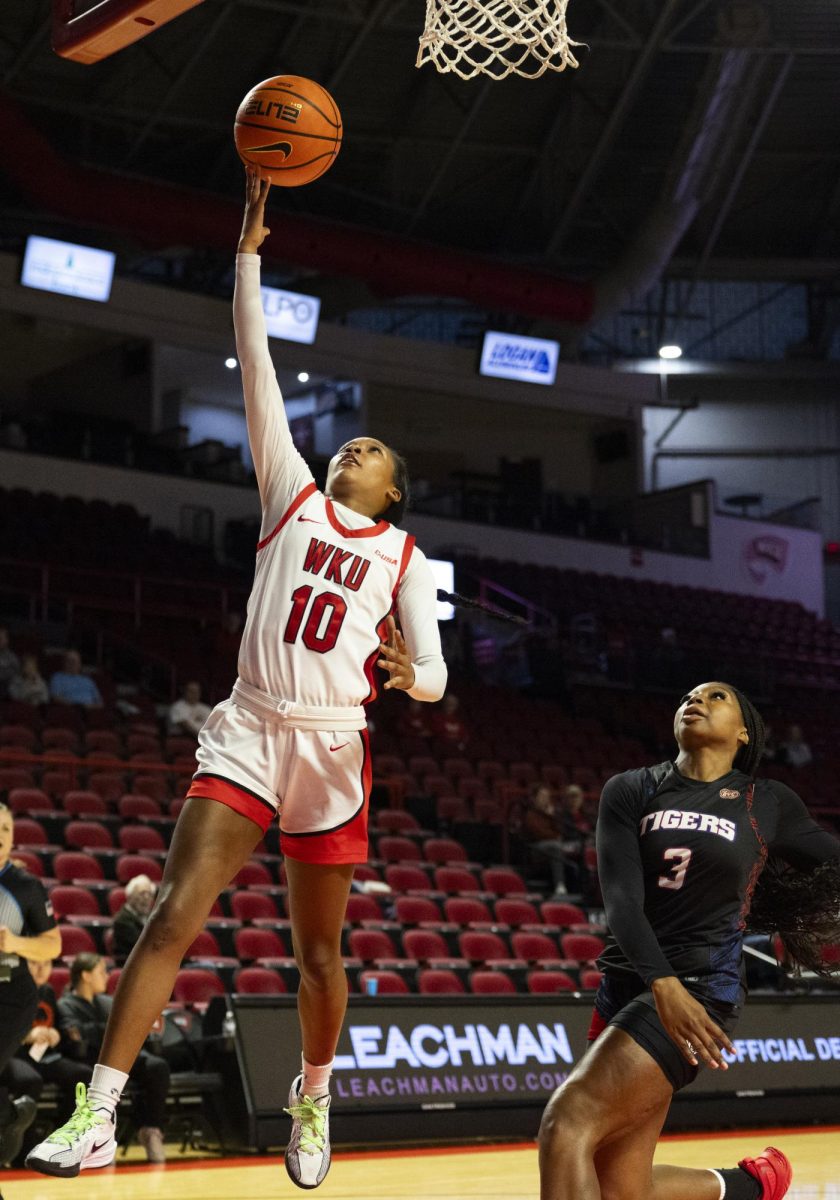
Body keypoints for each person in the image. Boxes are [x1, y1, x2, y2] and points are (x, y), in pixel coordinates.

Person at [27, 170, 446, 1187]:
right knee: (171, 913)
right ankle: (99, 1113)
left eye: (377, 450)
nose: (358, 446)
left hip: (334, 746)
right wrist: (248, 254)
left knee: (316, 960)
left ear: (393, 490)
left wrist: (409, 672)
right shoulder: (289, 490)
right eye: (354, 438)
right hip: (254, 726)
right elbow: (256, 361)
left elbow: (431, 679)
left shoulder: (407, 558)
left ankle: (314, 1091)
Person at [538, 681, 840, 1200]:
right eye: (686, 697)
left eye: (715, 697)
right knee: (620, 1187)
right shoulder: (632, 788)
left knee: (566, 1124)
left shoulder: (764, 802)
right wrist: (660, 982)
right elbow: (622, 903)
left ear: (744, 732)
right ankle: (751, 1185)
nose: (694, 701)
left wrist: (673, 987)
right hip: (631, 984)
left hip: (701, 990)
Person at [55, 953, 170, 1164]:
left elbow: (125, 1028)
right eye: (101, 972)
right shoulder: (65, 1005)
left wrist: (102, 1031)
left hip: (123, 1056)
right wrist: (112, 1029)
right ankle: (100, 1142)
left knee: (157, 1067)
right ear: (86, 976)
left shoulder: (109, 1002)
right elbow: (76, 1036)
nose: (107, 976)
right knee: (93, 1077)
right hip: (93, 1060)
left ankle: (151, 1129)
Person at [0, 803, 61, 1164]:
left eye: (6, 829)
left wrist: (14, 942)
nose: (0, 836)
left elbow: (53, 944)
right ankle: (11, 1116)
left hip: (11, 999)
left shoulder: (25, 887)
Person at [1, 960, 91, 1128]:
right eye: (35, 964)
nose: (42, 969)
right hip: (13, 1054)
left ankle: (61, 1136)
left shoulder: (46, 991)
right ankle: (23, 1144)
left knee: (82, 1076)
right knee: (30, 1080)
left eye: (47, 964)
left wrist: (56, 1034)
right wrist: (25, 1036)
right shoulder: (8, 990)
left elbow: (60, 1024)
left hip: (44, 1055)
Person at [522, 784, 570, 896]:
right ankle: (560, 885)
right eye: (542, 796)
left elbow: (560, 832)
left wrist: (551, 817)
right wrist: (554, 836)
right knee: (555, 846)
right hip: (536, 849)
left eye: (547, 796)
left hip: (552, 846)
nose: (545, 799)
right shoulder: (531, 814)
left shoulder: (551, 814)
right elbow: (539, 834)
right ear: (535, 798)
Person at [112, 876, 157, 963]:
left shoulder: (153, 917)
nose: (146, 898)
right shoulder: (122, 920)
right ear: (130, 896)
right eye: (142, 894)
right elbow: (143, 944)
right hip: (129, 965)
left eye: (150, 894)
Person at [0, 626, 20, 700]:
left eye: (2, 637)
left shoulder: (11, 656)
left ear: (7, 640)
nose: (0, 640)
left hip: (6, 686)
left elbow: (16, 671)